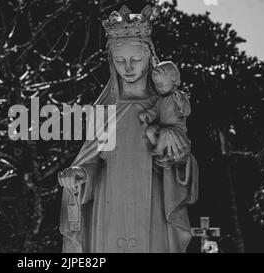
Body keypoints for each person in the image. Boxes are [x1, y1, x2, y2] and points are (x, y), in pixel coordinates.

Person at [58, 5, 199, 253]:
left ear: (150, 59)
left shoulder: (163, 104)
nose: (129, 67)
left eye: (136, 59)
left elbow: (182, 161)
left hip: (152, 202)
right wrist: (79, 174)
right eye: (120, 60)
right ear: (112, 62)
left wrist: (176, 155)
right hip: (109, 203)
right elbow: (94, 159)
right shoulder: (105, 109)